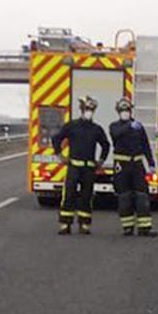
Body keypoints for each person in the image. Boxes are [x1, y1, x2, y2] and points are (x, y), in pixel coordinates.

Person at [52, 96, 110, 235]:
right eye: (87, 109)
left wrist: (101, 160)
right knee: (69, 195)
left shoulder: (96, 129)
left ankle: (84, 225)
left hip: (88, 169)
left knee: (86, 196)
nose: (89, 112)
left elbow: (105, 145)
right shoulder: (72, 126)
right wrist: (60, 155)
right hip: (73, 167)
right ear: (82, 110)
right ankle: (65, 224)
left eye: (91, 109)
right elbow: (56, 138)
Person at [109, 97, 158, 237]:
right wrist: (129, 126)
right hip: (121, 166)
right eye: (122, 110)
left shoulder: (138, 127)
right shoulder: (115, 126)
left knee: (142, 195)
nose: (125, 113)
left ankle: (145, 228)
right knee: (124, 196)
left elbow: (145, 145)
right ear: (118, 112)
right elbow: (115, 135)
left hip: (137, 165)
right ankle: (127, 227)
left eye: (127, 110)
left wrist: (151, 163)